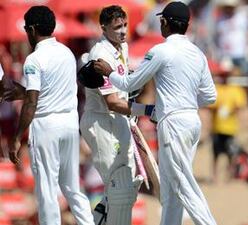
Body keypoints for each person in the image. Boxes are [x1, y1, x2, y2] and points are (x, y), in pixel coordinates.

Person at [93, 2, 218, 225]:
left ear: (165, 23)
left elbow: (129, 83)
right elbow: (210, 96)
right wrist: (184, 103)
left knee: (182, 185)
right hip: (191, 120)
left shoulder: (160, 51)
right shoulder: (197, 52)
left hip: (174, 123)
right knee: (170, 191)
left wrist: (109, 72)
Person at [7, 6, 95, 225]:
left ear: (34, 29)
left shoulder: (34, 59)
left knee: (46, 189)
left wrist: (17, 137)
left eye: (27, 29)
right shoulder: (66, 53)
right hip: (69, 124)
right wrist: (20, 91)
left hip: (46, 126)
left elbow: (33, 101)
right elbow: (47, 91)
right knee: (72, 187)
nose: (27, 34)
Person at [79, 5, 153, 225]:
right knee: (118, 185)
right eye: (117, 27)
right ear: (103, 28)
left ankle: (100, 219)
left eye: (124, 25)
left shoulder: (123, 47)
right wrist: (147, 110)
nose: (122, 31)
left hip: (120, 119)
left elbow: (124, 87)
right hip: (100, 121)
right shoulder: (100, 55)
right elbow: (111, 102)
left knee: (127, 186)